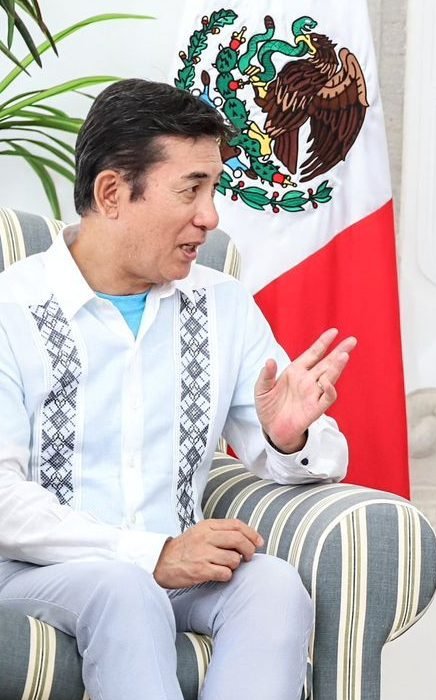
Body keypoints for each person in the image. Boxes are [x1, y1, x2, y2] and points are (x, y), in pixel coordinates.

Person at [0, 78, 355, 698]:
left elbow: (312, 456)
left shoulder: (224, 305)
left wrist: (287, 435)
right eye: (191, 189)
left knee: (272, 587)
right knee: (124, 588)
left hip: (177, 568)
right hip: (39, 571)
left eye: (212, 189)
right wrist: (152, 553)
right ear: (112, 192)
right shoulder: (11, 309)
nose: (210, 217)